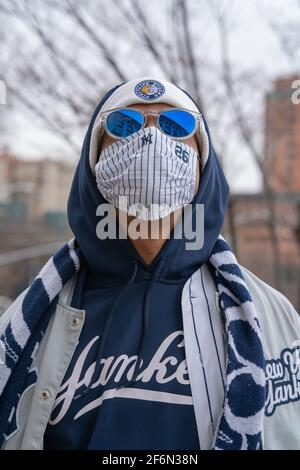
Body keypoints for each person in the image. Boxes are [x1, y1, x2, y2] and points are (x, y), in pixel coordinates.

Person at [1, 77, 300, 451]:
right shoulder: (29, 321)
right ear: (94, 162)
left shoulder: (274, 318)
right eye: (124, 125)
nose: (150, 139)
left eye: (176, 127)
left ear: (203, 168)